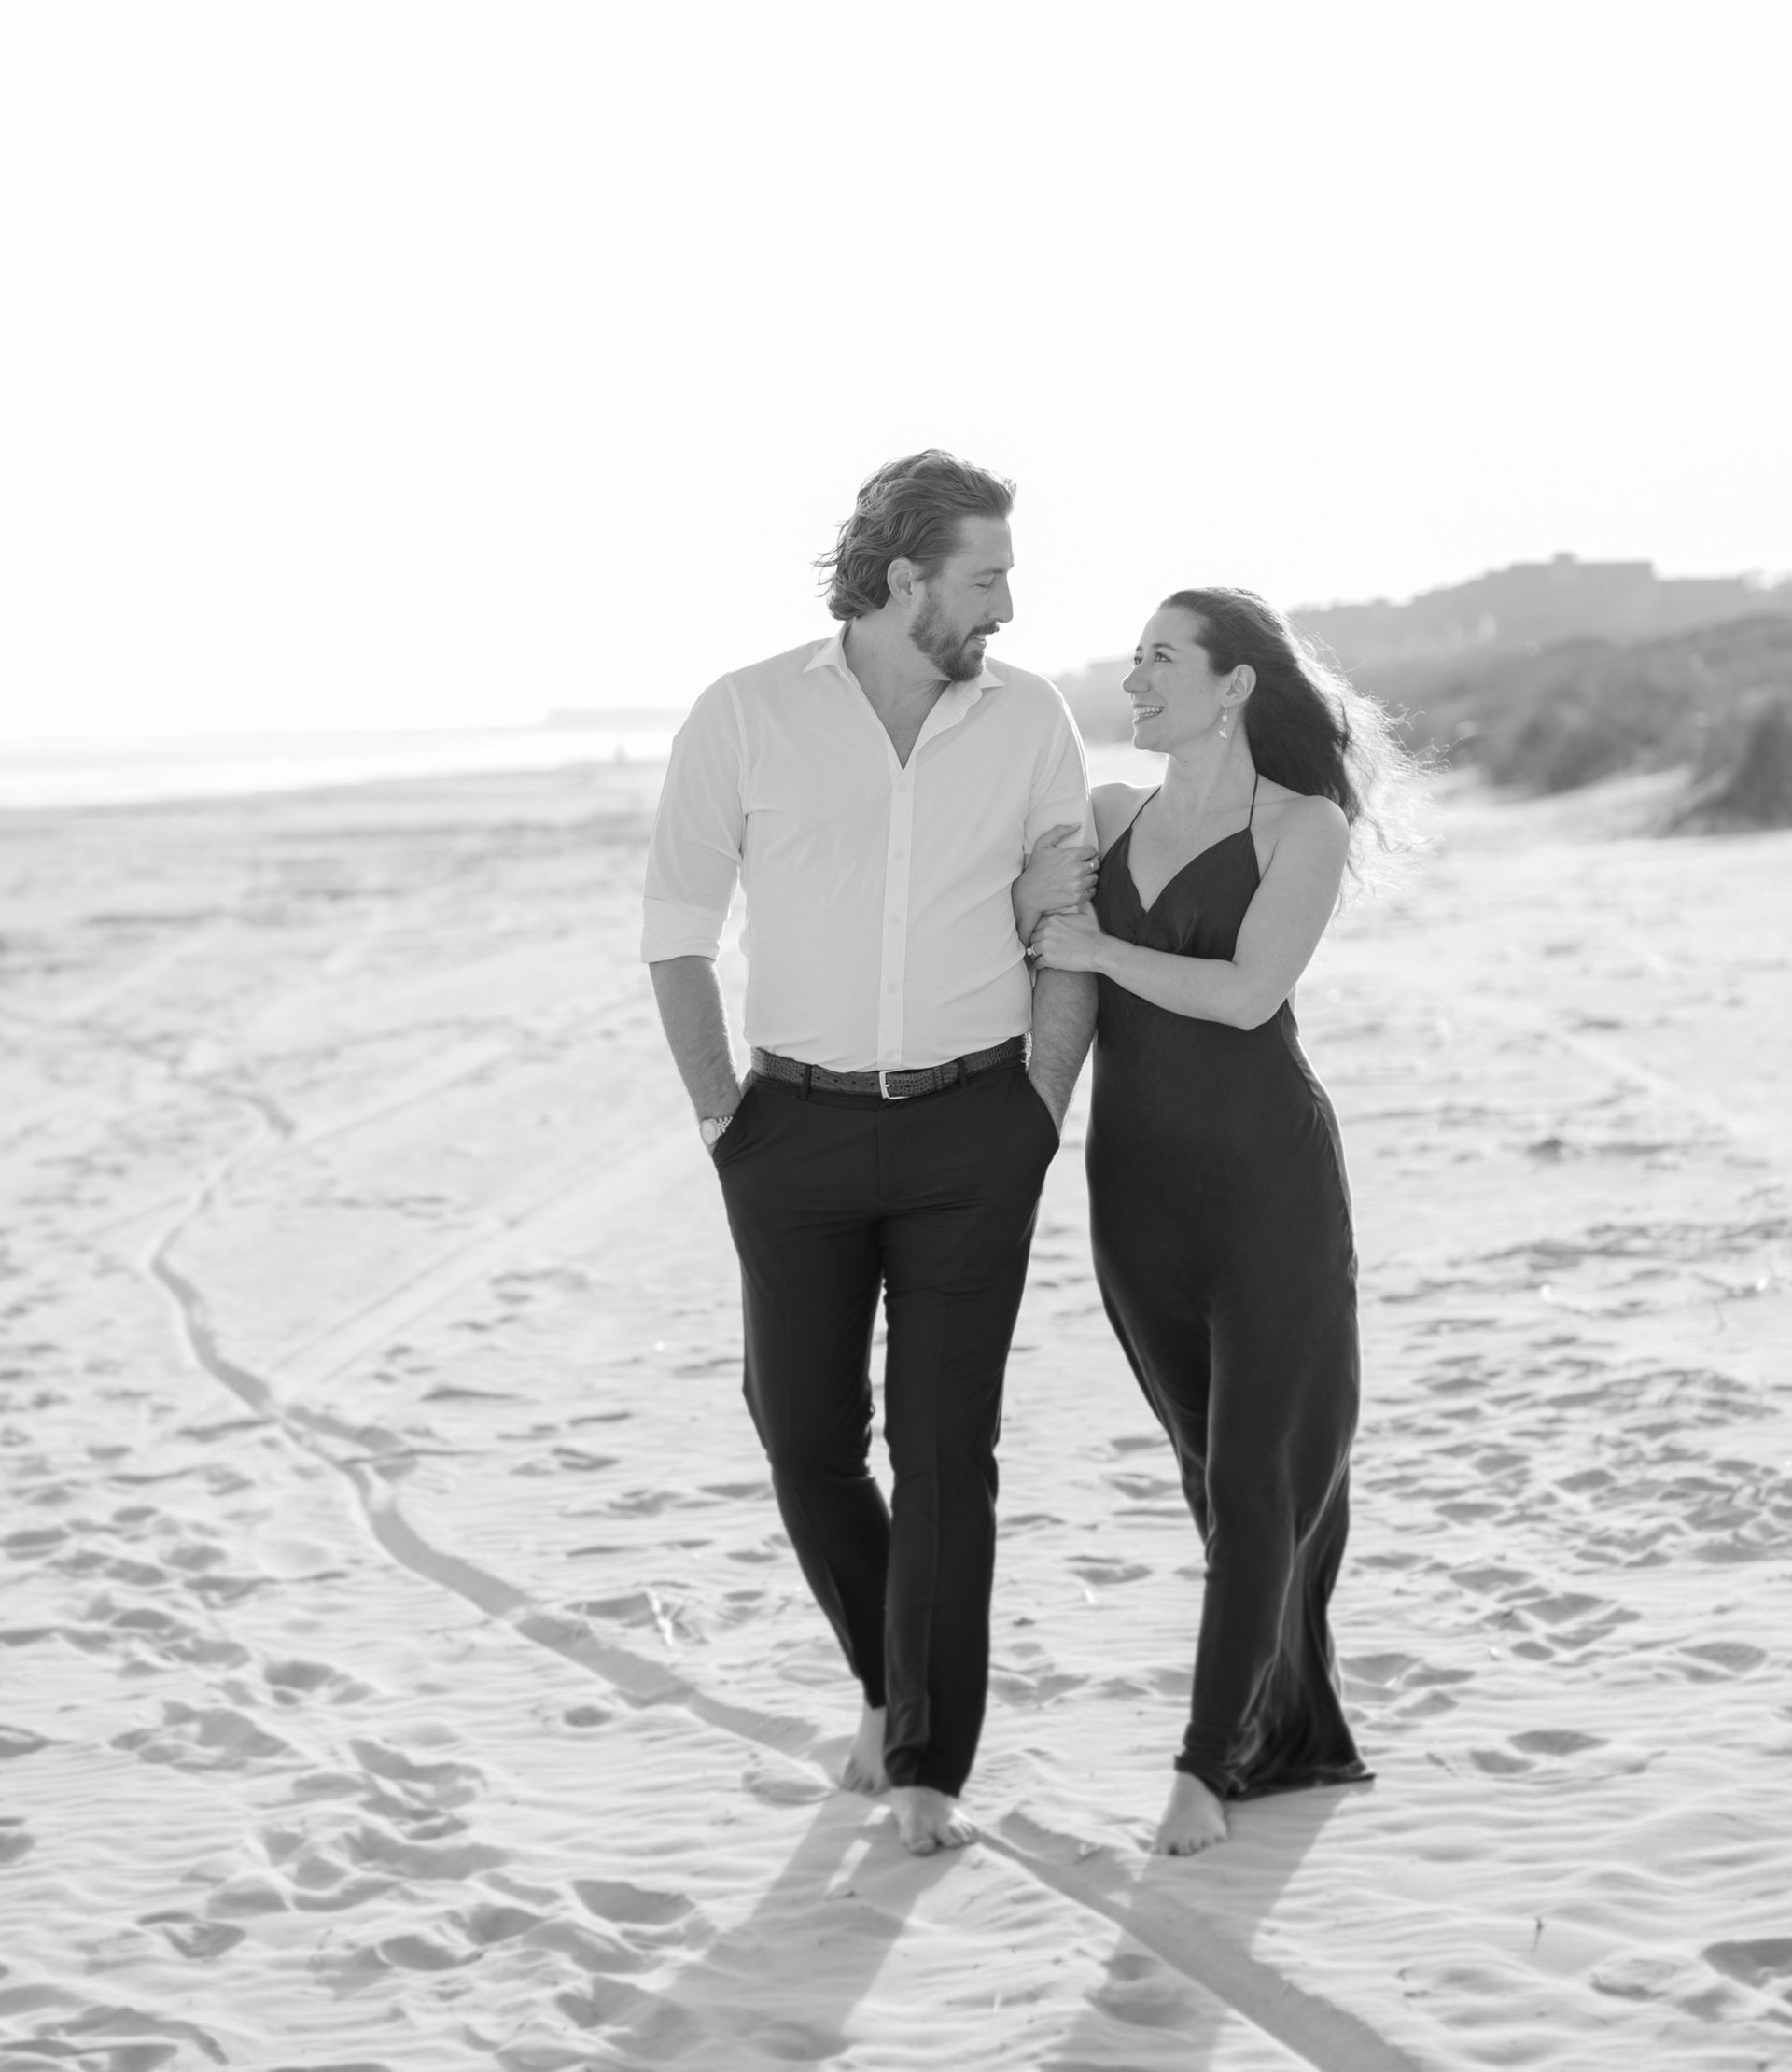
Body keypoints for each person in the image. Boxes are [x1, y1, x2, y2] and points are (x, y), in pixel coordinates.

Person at [641, 452, 1097, 1855]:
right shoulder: (745, 713)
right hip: (792, 1132)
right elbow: (676, 933)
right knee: (803, 1439)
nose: (1007, 606)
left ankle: (926, 1765)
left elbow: (1066, 929)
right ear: (904, 580)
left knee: (946, 1449)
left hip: (976, 1127)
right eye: (986, 578)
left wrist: (1040, 1106)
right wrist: (723, 1120)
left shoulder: (1030, 718)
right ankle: (892, 1686)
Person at [1020, 586, 1411, 1856]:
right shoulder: (1106, 815)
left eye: (1162, 660)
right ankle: (1286, 1730)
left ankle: (1205, 1768)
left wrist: (1096, 949)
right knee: (1212, 1472)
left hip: (1268, 1191)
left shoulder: (1303, 825)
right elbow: (1029, 950)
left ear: (1235, 684)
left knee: (1256, 1479)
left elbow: (1248, 994)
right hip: (1134, 1195)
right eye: (1132, 660)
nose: (1134, 682)